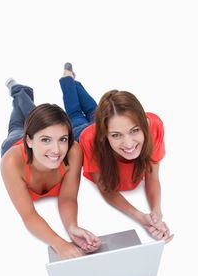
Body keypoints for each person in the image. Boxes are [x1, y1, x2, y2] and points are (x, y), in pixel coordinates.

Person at [59, 63, 174, 243]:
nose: (128, 143)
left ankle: (75, 82)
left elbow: (152, 176)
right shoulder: (90, 140)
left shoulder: (154, 125)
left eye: (135, 131)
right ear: (105, 134)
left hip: (108, 120)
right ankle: (67, 78)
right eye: (116, 135)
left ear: (144, 123)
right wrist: (139, 216)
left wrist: (155, 214)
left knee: (93, 109)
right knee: (75, 114)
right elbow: (106, 189)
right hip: (84, 131)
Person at [0, 79, 101, 260]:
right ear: (29, 141)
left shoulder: (73, 151)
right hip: (14, 143)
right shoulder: (11, 163)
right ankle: (18, 91)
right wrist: (59, 243)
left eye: (62, 139)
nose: (56, 150)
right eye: (46, 140)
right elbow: (28, 215)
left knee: (38, 120)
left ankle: (20, 96)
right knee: (16, 127)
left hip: (34, 140)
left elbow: (68, 198)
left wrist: (72, 227)